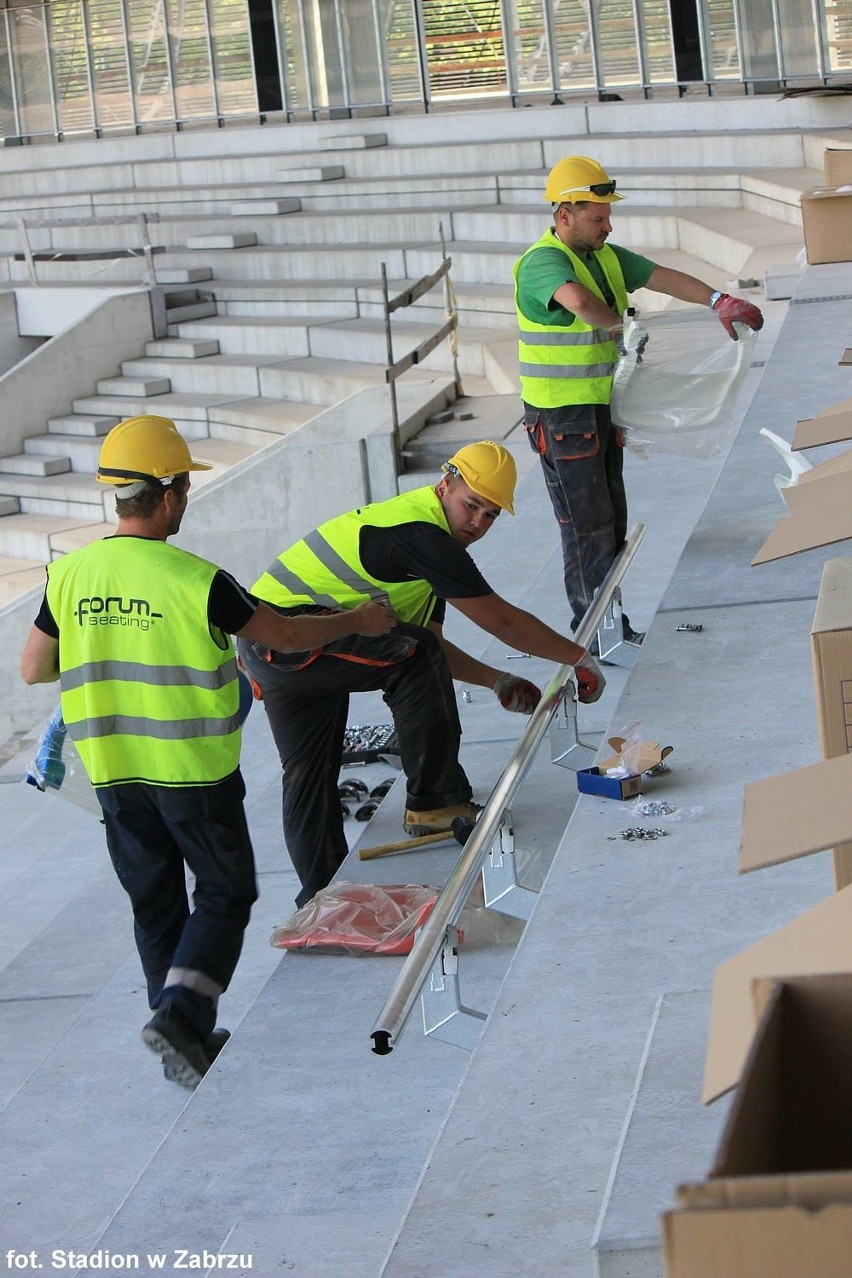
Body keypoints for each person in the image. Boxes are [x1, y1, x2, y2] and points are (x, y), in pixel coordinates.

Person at [18, 415, 394, 1090]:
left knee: (155, 903)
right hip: (191, 772)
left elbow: (33, 669)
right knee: (225, 890)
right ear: (168, 494)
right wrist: (359, 619)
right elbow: (280, 636)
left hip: (112, 774)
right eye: (185, 490)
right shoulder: (195, 579)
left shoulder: (70, 574)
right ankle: (184, 1014)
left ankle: (179, 1035)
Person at [237, 440, 606, 909]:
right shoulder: (421, 536)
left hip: (274, 645)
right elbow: (502, 622)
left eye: (491, 515)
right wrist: (578, 657)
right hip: (293, 639)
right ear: (444, 485)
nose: (477, 523)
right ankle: (433, 801)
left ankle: (324, 900)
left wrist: (496, 679)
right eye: (471, 505)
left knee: (307, 772)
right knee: (401, 666)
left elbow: (427, 648)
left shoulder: (421, 543)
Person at [514, 155, 764, 644]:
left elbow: (660, 275)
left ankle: (605, 628)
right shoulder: (543, 262)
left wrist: (718, 301)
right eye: (597, 217)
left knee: (607, 523)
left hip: (595, 410)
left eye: (608, 216)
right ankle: (598, 633)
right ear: (564, 214)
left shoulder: (602, 256)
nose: (608, 226)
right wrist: (623, 327)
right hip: (562, 417)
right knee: (590, 527)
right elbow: (581, 305)